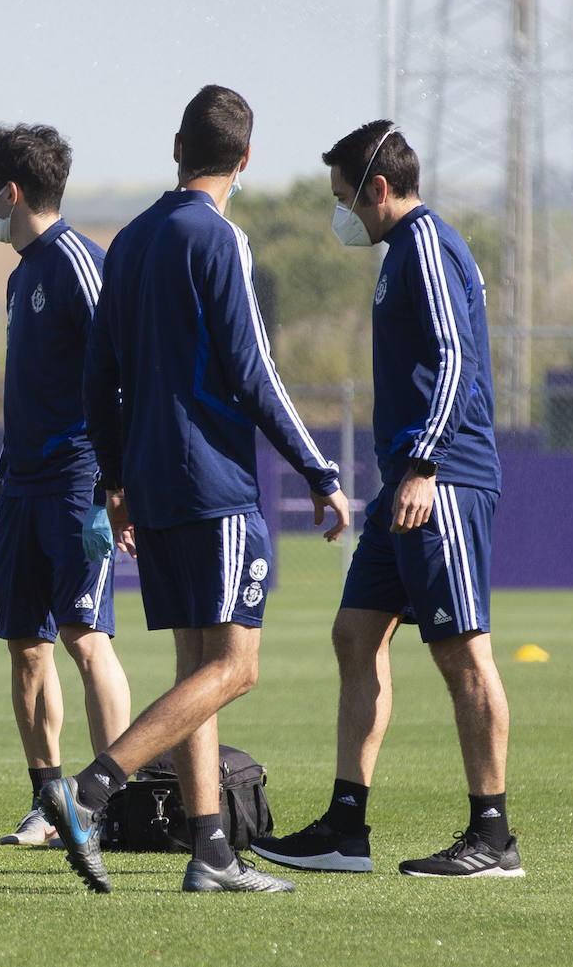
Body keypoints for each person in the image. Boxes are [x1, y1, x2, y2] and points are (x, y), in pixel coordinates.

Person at [39, 85, 350, 894]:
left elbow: (96, 376)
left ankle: (210, 847)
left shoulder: (131, 240)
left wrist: (114, 479)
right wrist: (319, 470)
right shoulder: (218, 239)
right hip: (211, 484)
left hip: (150, 483)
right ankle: (91, 789)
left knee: (193, 668)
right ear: (245, 160)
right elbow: (255, 372)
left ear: (176, 147)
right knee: (235, 667)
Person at [250, 122, 521, 878]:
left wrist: (427, 465)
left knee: (462, 652)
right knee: (355, 633)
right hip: (404, 480)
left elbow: (458, 355)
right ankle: (345, 827)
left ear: (377, 188)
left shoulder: (426, 244)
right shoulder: (398, 252)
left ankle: (494, 836)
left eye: (345, 200)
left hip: (442, 480)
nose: (343, 217)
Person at [0, 123, 131, 847]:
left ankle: (113, 804)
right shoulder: (20, 273)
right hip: (25, 486)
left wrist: (113, 485)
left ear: (13, 190)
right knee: (26, 646)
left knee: (85, 638)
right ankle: (51, 801)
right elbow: (26, 396)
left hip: (76, 479)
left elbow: (120, 378)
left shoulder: (78, 263)